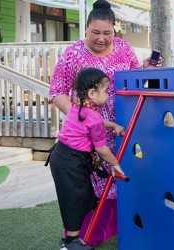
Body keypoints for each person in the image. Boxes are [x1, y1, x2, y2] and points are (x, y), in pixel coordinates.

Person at [49, 0, 159, 246]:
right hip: (88, 136)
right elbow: (57, 91)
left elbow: (134, 76)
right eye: (95, 33)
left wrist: (146, 67)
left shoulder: (123, 48)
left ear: (114, 30)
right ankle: (83, 236)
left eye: (106, 33)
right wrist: (82, 118)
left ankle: (120, 230)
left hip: (122, 129)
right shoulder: (73, 54)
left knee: (122, 180)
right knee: (92, 185)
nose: (101, 38)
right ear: (86, 29)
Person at [50, 67, 126, 250]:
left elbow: (96, 122)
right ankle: (71, 243)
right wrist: (115, 164)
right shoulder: (92, 116)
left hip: (61, 156)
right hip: (70, 162)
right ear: (92, 93)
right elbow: (101, 149)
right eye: (106, 91)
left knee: (84, 196)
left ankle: (75, 237)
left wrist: (113, 125)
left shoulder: (78, 108)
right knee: (74, 199)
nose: (108, 95)